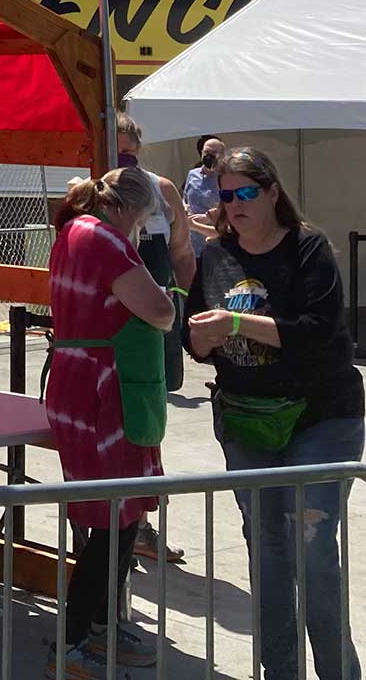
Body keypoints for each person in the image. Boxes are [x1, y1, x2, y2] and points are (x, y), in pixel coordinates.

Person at [186, 147, 364, 680]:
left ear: (271, 193)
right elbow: (193, 334)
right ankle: (280, 671)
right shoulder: (217, 254)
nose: (234, 206)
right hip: (247, 419)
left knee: (310, 553)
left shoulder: (307, 248)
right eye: (225, 196)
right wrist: (197, 338)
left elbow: (318, 332)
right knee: (267, 552)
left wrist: (237, 326)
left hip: (322, 416)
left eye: (244, 194)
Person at [45, 166, 175, 678]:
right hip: (102, 392)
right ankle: (73, 641)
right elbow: (159, 311)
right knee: (111, 519)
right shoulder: (106, 241)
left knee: (115, 517)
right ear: (123, 210)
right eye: (141, 221)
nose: (139, 232)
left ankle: (99, 624)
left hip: (79, 383)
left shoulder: (72, 231)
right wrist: (168, 300)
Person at [115, 111, 195, 563]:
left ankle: (141, 527)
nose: (122, 159)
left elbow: (182, 253)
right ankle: (103, 529)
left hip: (153, 325)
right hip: (107, 334)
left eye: (128, 149)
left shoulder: (162, 191)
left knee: (149, 427)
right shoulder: (92, 190)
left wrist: (178, 300)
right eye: (114, 149)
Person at [183, 136, 225, 256]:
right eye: (206, 152)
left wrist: (208, 217)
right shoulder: (192, 174)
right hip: (192, 243)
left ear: (222, 155)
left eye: (213, 153)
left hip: (214, 241)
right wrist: (184, 207)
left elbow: (230, 206)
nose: (209, 156)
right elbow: (185, 198)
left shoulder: (225, 177)